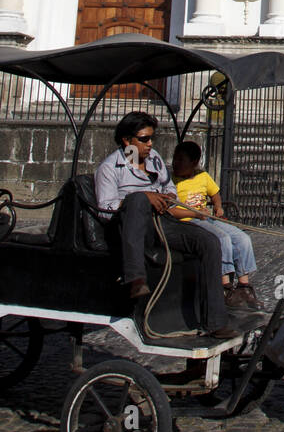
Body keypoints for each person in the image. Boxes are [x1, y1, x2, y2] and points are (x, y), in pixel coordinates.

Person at [94, 111, 237, 339]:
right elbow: (105, 208)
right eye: (144, 139)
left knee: (209, 241)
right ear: (127, 141)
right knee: (138, 198)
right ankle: (135, 278)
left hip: (162, 222)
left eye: (152, 138)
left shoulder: (154, 160)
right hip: (132, 227)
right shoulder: (110, 168)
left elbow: (169, 186)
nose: (150, 144)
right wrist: (143, 197)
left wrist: (167, 197)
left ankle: (215, 321)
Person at [170, 142, 262, 309]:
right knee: (222, 238)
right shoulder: (171, 181)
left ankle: (243, 286)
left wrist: (218, 207)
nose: (175, 163)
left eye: (180, 160)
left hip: (206, 217)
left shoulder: (203, 176)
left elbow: (215, 194)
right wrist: (196, 214)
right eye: (175, 159)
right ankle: (224, 287)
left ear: (193, 162)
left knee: (242, 238)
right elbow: (171, 210)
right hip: (188, 221)